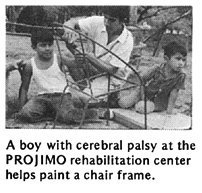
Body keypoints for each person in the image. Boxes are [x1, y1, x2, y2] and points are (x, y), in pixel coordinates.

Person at [16, 29, 96, 124]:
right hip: (42, 97)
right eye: (43, 45)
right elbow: (24, 88)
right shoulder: (30, 64)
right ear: (34, 47)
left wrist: (79, 58)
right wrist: (21, 108)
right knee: (25, 115)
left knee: (68, 117)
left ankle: (92, 113)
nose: (47, 48)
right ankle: (53, 114)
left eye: (50, 44)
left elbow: (75, 64)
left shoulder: (58, 59)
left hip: (61, 96)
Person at [62, 6, 134, 107]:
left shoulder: (127, 40)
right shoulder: (98, 21)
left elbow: (112, 69)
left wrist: (89, 56)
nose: (107, 23)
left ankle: (102, 97)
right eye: (106, 18)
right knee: (67, 54)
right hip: (93, 68)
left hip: (110, 77)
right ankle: (90, 92)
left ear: (123, 21)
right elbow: (72, 22)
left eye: (112, 20)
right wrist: (68, 31)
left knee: (78, 101)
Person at [134, 41, 187, 114]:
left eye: (183, 60)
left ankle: (141, 105)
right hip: (144, 94)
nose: (181, 63)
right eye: (178, 59)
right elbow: (142, 79)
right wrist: (142, 96)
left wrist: (169, 111)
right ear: (166, 58)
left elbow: (174, 93)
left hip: (159, 103)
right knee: (124, 103)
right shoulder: (157, 68)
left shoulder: (181, 75)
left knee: (143, 108)